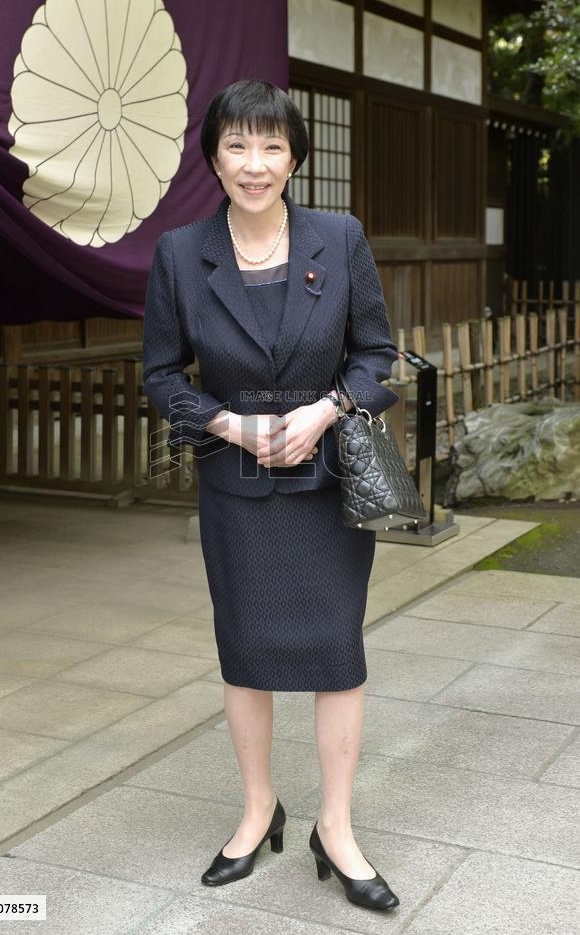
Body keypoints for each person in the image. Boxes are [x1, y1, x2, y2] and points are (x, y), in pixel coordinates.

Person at [142, 79, 400, 912]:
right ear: (213, 156)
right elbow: (158, 375)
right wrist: (226, 424)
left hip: (326, 486)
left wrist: (328, 409)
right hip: (236, 481)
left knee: (337, 653)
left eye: (273, 147)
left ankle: (338, 826)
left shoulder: (340, 236)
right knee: (246, 653)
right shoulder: (181, 254)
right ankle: (259, 813)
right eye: (237, 147)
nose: (255, 165)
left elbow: (375, 353)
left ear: (296, 156)